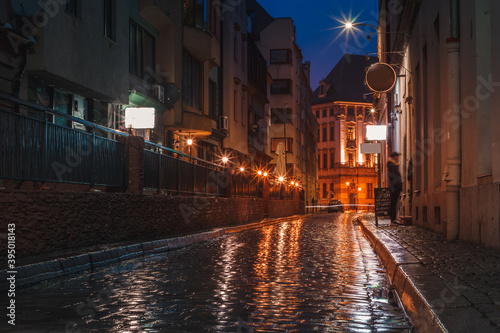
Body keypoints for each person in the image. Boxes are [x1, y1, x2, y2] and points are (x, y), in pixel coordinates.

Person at [387, 152, 402, 223]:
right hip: (395, 187)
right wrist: (398, 185)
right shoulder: (392, 165)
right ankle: (393, 219)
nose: (398, 158)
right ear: (394, 157)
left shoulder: (393, 165)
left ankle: (393, 219)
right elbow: (394, 177)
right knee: (394, 203)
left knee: (394, 203)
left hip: (395, 186)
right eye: (397, 156)